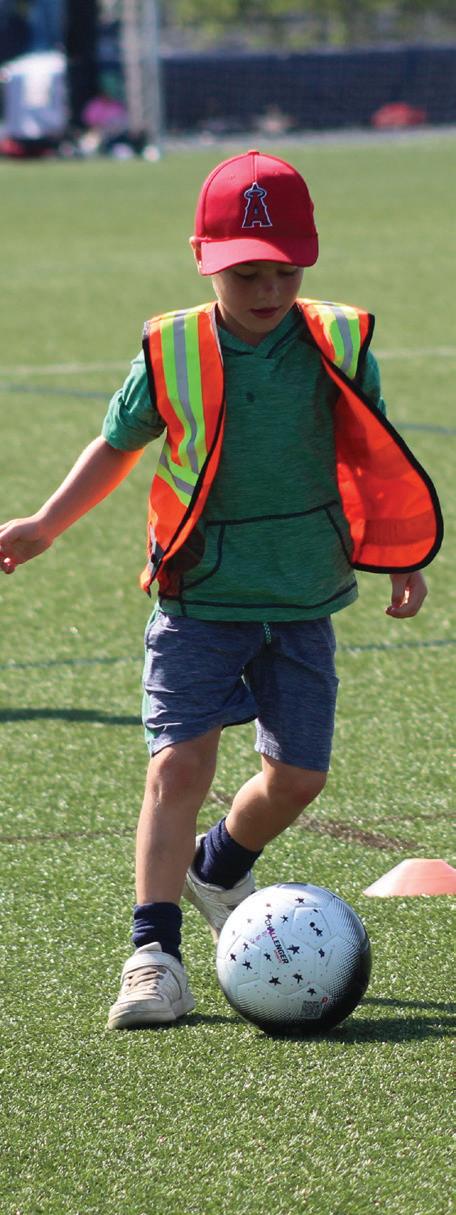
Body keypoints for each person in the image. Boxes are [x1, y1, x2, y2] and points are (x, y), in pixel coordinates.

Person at [0, 150, 443, 1030]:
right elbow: (117, 444)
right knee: (178, 766)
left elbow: (371, 450)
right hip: (198, 595)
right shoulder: (172, 350)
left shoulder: (338, 342)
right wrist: (46, 524)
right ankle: (153, 955)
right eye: (246, 273)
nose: (268, 290)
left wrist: (401, 551)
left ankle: (220, 866)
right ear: (203, 258)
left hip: (304, 595)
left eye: (285, 271)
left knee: (299, 776)